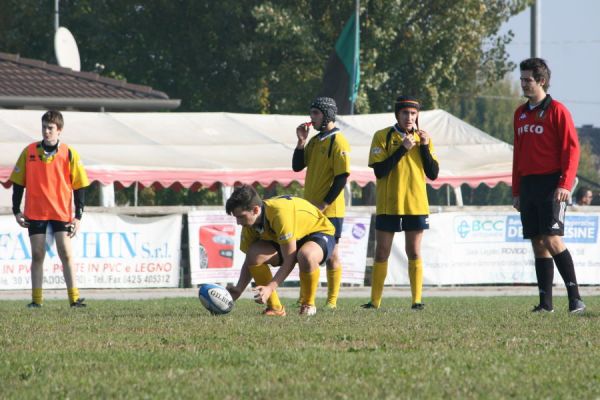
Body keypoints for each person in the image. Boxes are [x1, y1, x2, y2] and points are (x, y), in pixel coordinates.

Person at [512, 57, 585, 313]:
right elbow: (518, 155)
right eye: (521, 79)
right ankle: (545, 303)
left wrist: (565, 184)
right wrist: (517, 190)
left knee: (552, 238)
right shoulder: (520, 113)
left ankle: (575, 298)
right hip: (529, 184)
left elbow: (571, 150)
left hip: (552, 184)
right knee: (537, 241)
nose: (523, 84)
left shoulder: (558, 110)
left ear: (541, 81)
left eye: (527, 80)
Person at [362, 96, 439, 310]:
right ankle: (374, 302)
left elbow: (433, 174)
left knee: (414, 252)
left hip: (416, 204)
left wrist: (423, 146)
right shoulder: (382, 136)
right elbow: (380, 171)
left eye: (413, 114)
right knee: (381, 252)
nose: (409, 117)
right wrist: (403, 148)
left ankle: (416, 301)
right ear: (397, 114)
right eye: (405, 113)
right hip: (389, 204)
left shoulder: (424, 138)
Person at [10, 110, 90, 308]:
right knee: (37, 255)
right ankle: (36, 301)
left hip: (61, 212)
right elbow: (18, 183)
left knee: (66, 253)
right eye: (44, 127)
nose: (46, 131)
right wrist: (16, 211)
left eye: (51, 128)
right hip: (35, 211)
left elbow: (79, 185)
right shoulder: (29, 152)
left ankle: (74, 299)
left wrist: (78, 216)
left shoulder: (69, 153)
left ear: (59, 130)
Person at [225, 184, 336, 316]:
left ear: (255, 210)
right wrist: (238, 289)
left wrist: (270, 288)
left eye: (241, 216)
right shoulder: (249, 225)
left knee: (306, 255)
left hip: (317, 231)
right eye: (236, 217)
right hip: (294, 236)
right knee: (254, 253)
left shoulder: (280, 214)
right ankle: (275, 308)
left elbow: (290, 258)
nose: (238, 222)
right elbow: (249, 260)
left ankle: (308, 305)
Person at [293, 96, 351, 309]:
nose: (311, 118)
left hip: (330, 209)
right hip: (310, 210)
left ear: (327, 114)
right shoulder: (316, 141)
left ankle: (332, 301)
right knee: (305, 252)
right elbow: (297, 167)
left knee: (333, 253)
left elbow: (342, 177)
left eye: (315, 113)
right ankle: (304, 297)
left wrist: (325, 203)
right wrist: (301, 142)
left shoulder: (339, 141)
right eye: (311, 113)